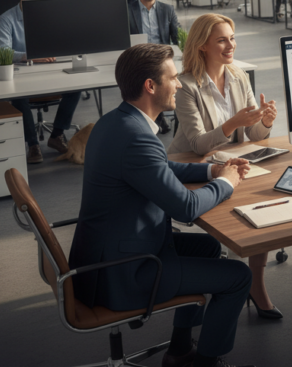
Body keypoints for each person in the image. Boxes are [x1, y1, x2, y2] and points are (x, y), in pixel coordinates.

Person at [67, 44, 255, 367]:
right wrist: (226, 183)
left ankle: (180, 350)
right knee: (238, 276)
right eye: (173, 78)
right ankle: (206, 362)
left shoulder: (115, 123)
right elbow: (186, 208)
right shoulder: (136, 137)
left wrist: (212, 169)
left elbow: (161, 168)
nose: (180, 85)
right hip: (126, 272)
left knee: (209, 247)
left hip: (108, 255)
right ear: (150, 86)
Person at [169, 14, 281, 320]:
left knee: (264, 205)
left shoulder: (238, 76)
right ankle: (228, 285)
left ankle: (255, 283)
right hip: (195, 167)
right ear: (203, 45)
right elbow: (198, 144)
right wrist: (234, 122)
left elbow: (253, 136)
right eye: (221, 39)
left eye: (232, 38)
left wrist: (265, 122)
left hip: (236, 162)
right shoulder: (186, 86)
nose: (230, 45)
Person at [0, 0, 82, 165]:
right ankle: (33, 144)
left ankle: (56, 135)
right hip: (23, 71)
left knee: (76, 87)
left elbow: (64, 39)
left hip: (51, 68)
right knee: (19, 95)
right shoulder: (6, 19)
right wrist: (30, 55)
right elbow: (1, 51)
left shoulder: (50, 14)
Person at [129, 0, 181, 132]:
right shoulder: (128, 10)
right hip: (139, 58)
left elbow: (177, 35)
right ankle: (157, 116)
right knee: (151, 80)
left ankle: (158, 116)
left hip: (162, 58)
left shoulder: (167, 10)